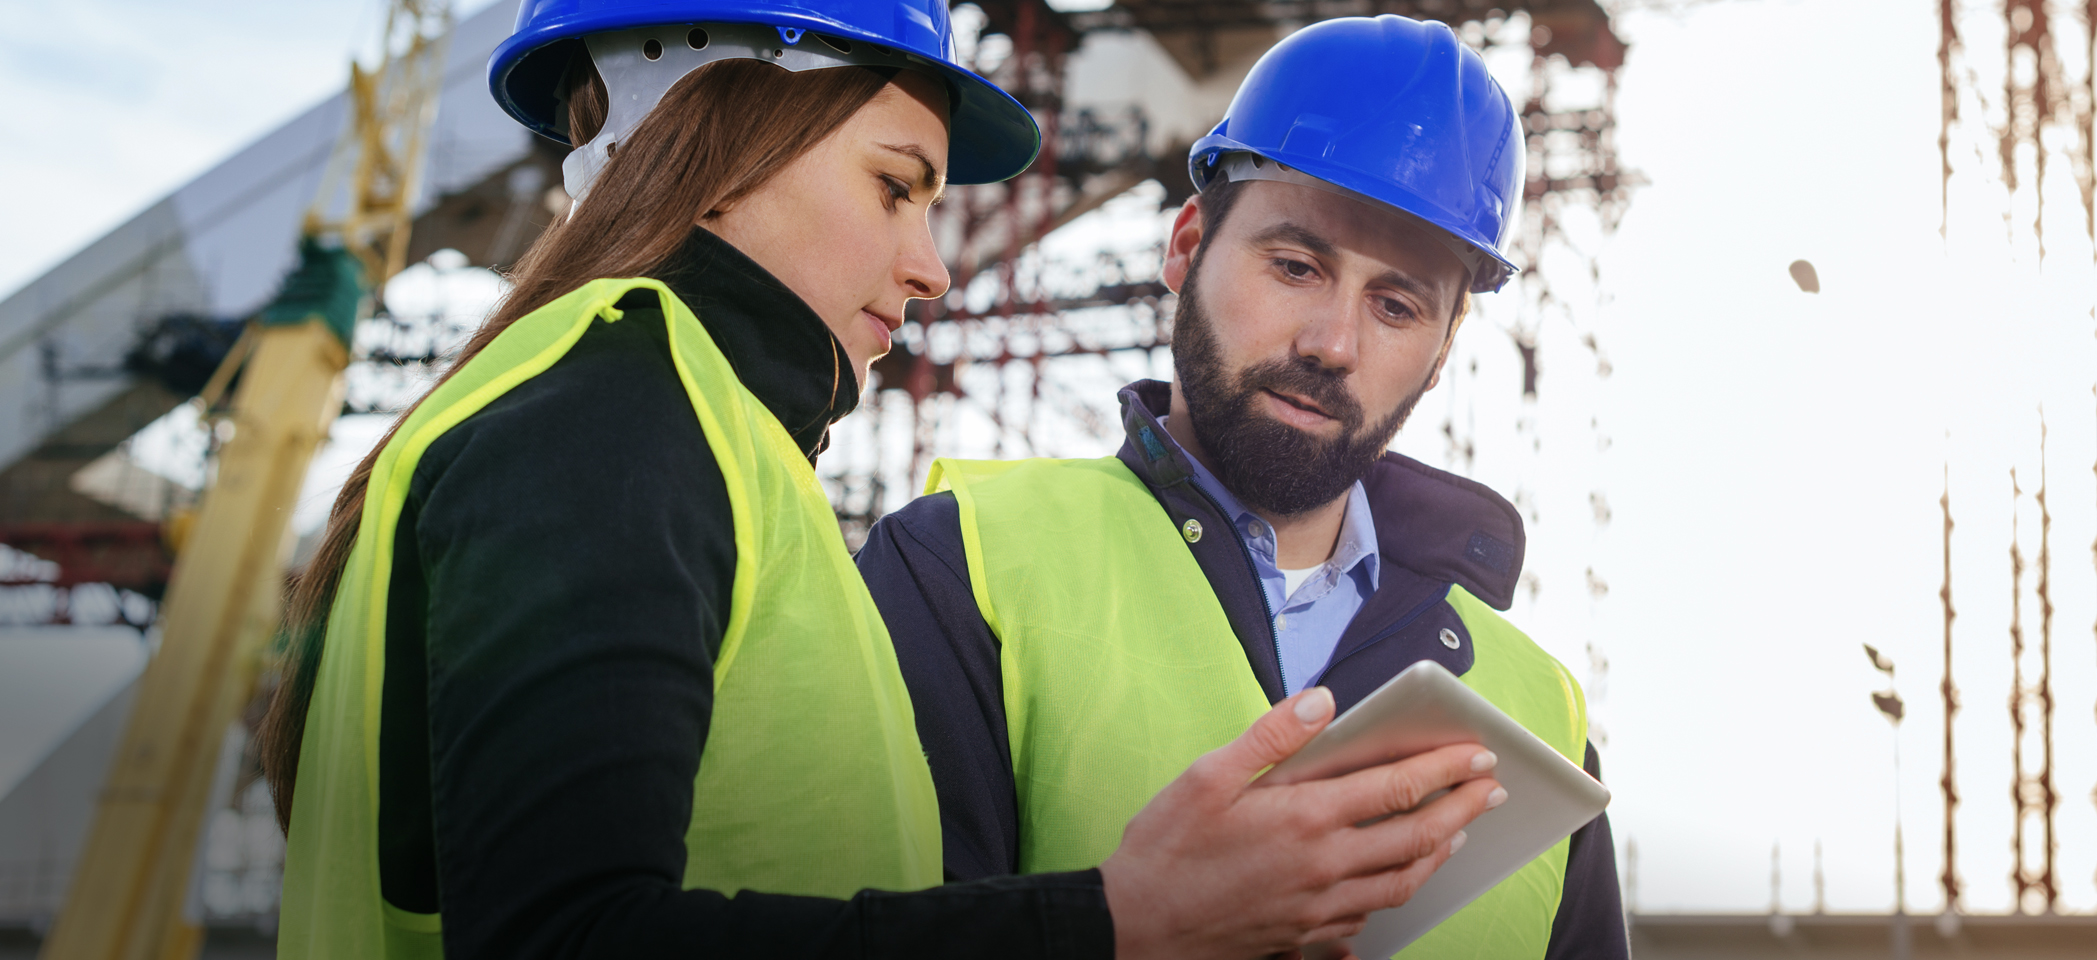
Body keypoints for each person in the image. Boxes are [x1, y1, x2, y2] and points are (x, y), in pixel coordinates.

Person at [258, 2, 1511, 957]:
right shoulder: (618, 411)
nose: (932, 265)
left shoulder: (679, 426)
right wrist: (1119, 920)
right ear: (728, 141)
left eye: (1398, 301)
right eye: (897, 184)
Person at [859, 15, 1629, 959]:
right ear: (1186, 248)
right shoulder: (963, 564)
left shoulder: (1538, 720)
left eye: (1397, 306)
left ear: (1441, 356)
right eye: (1296, 266)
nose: (1333, 344)